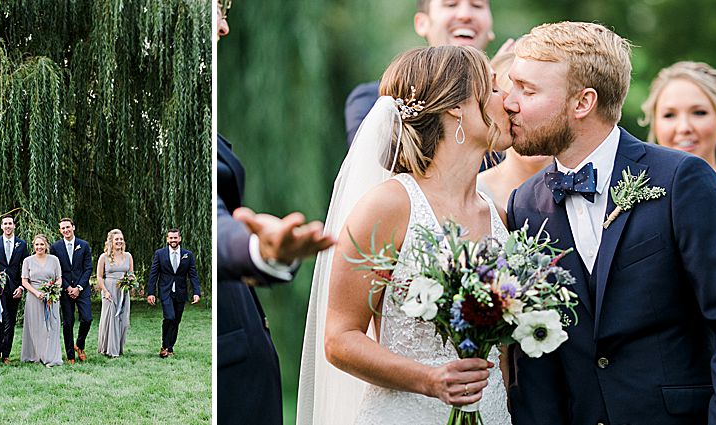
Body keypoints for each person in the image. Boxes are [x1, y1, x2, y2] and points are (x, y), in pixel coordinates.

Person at [504, 22, 716, 424]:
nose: (509, 102)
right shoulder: (524, 203)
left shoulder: (680, 180)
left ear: (582, 102)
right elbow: (535, 358)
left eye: (527, 89)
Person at [302, 45, 512, 424]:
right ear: (456, 107)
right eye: (495, 89)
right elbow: (339, 338)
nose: (508, 100)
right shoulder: (389, 207)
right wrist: (430, 380)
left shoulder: (498, 216)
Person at [215, 4, 335, 424]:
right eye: (217, 9)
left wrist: (268, 252)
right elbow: (214, 222)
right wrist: (254, 249)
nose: (224, 26)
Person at [345, 0, 498, 146]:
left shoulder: (508, 99)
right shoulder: (373, 100)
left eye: (477, 5)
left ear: (490, 27)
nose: (465, 15)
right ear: (422, 23)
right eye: (450, 4)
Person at [641, 61, 716, 187]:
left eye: (699, 113)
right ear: (655, 125)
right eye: (669, 115)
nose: (684, 128)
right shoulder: (633, 193)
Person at [477, 49, 552, 207]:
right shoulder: (478, 194)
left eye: (535, 100)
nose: (528, 119)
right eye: (510, 111)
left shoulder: (582, 184)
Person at [146, 229, 201, 358]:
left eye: (175, 238)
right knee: (169, 317)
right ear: (167, 239)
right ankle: (165, 346)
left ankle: (170, 347)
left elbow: (193, 275)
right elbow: (154, 274)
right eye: (171, 238)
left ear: (180, 239)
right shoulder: (160, 254)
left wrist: (196, 292)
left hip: (181, 292)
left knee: (176, 320)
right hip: (166, 291)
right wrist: (151, 293)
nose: (173, 240)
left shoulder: (187, 255)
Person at [49, 218, 92, 363]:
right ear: (60, 231)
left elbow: (88, 268)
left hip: (82, 289)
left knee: (87, 318)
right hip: (65, 289)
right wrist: (67, 287)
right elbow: (57, 270)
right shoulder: (55, 247)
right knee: (68, 322)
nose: (66, 230)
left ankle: (79, 345)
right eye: (63, 228)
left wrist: (79, 287)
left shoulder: (84, 245)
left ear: (73, 227)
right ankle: (70, 355)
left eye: (68, 227)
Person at [0, 214, 28, 364]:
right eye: (5, 224)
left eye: (10, 223)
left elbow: (25, 267)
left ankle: (6, 354)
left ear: (14, 225)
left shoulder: (21, 244)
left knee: (10, 322)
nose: (8, 226)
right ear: (1, 226)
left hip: (15, 288)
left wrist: (22, 287)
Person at [20, 234, 64, 367]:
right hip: (34, 297)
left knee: (51, 326)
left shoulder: (54, 260)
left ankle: (50, 356)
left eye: (42, 244)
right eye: (37, 244)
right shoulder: (27, 261)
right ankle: (35, 354)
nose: (39, 247)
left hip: (51, 297)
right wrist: (36, 293)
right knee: (35, 326)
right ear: (33, 246)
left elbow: (59, 278)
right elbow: (24, 281)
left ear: (46, 246)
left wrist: (53, 289)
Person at [97, 229, 133, 358]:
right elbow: (99, 277)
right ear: (111, 241)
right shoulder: (104, 257)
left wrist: (130, 282)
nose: (119, 241)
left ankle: (118, 347)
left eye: (121, 239)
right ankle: (109, 349)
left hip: (123, 291)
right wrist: (105, 291)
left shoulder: (128, 256)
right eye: (116, 239)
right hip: (109, 290)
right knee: (110, 318)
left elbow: (131, 274)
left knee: (122, 319)